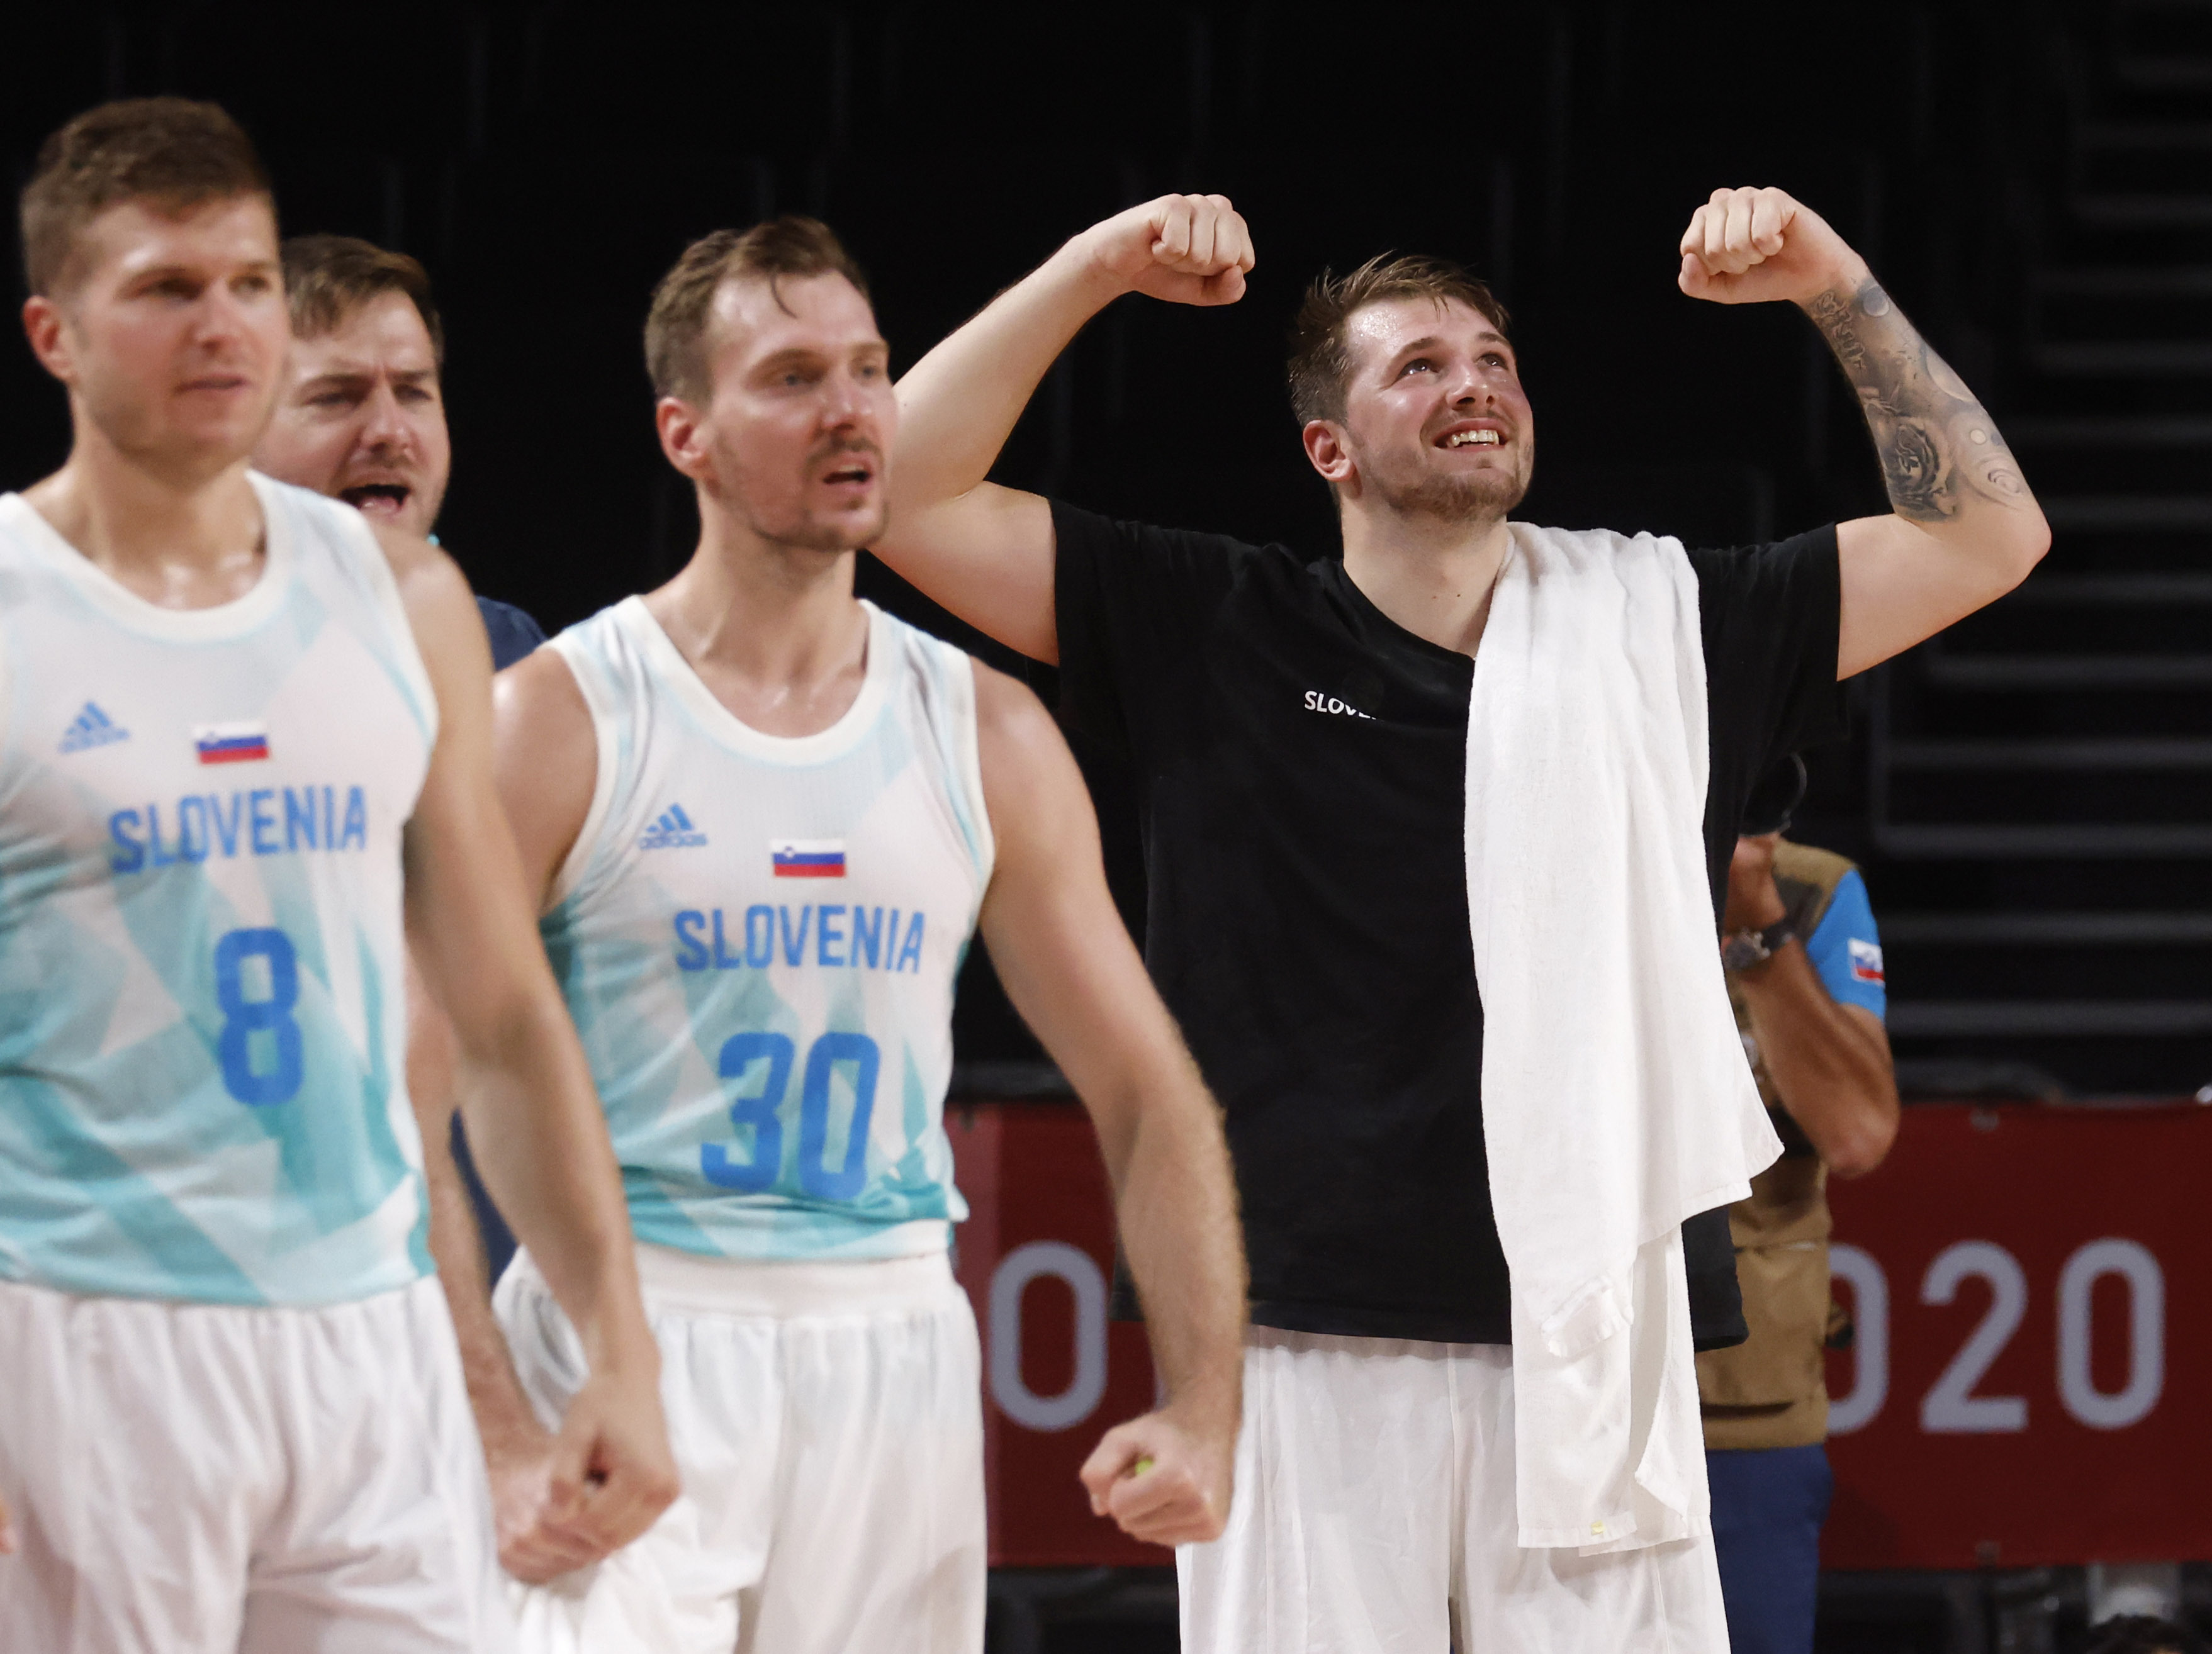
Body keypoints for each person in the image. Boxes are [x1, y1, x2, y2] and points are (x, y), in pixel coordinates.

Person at [871, 189, 2048, 1650]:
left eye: (1492, 357)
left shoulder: (1666, 626)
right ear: (1330, 447)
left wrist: (1837, 282)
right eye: (1416, 365)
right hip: (1299, 1327)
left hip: (1596, 1332)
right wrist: (1095, 266)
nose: (1472, 381)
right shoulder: (1217, 625)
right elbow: (894, 490)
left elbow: (1991, 536)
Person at [426, 216, 1246, 1650]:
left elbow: (1146, 1087)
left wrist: (1202, 1406)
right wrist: (495, 1416)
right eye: (794, 376)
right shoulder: (558, 718)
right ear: (687, 431)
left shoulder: (982, 728)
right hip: (630, 1332)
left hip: (894, 1344)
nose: (852, 408)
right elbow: (413, 1092)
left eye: (868, 371)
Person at [0, 98, 675, 1651]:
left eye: (244, 281)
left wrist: (618, 1354)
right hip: (90, 1338)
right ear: (56, 332)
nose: (219, 322)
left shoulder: (408, 601)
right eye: (167, 288)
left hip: (367, 1339)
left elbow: (504, 1020)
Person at [252, 233, 542, 1317]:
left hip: (450, 1292)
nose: (389, 428)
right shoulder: (114, 660)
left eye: (413, 391)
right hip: (181, 1291)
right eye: (335, 396)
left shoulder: (525, 671)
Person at [1701, 756, 1899, 1654]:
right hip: (1540, 1387)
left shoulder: (1813, 893)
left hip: (1741, 1408)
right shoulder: (1531, 866)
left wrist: (1752, 923)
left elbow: (1858, 1133)